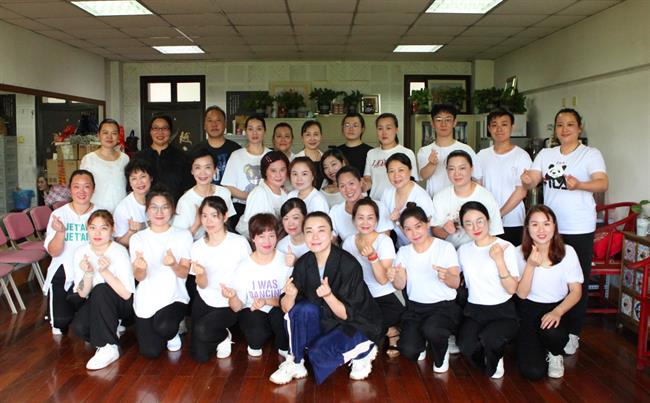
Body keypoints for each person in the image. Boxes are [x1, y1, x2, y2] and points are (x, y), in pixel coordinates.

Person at [521, 108, 608, 354]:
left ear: (579, 127)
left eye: (570, 124)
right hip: (549, 229)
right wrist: (527, 180)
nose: (565, 129)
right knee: (548, 277)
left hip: (579, 226)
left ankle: (572, 333)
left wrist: (579, 185)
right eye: (560, 124)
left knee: (576, 282)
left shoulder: (590, 154)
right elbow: (533, 179)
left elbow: (602, 183)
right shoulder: (546, 154)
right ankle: (549, 327)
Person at [269, 212, 382, 385]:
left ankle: (364, 349)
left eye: (321, 230)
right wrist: (290, 296)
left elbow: (347, 315)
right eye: (309, 231)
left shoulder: (348, 265)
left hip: (355, 324)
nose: (315, 237)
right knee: (302, 309)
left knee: (319, 354)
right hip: (327, 320)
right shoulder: (304, 263)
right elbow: (287, 309)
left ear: (331, 235)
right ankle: (295, 362)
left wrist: (328, 296)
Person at [515, 205, 583, 380]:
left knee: (552, 333)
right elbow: (521, 294)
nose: (541, 230)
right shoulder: (517, 252)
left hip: (558, 308)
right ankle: (540, 346)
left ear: (554, 226)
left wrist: (557, 311)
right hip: (529, 309)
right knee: (532, 372)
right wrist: (530, 265)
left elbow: (576, 291)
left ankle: (555, 352)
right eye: (535, 224)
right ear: (527, 228)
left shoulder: (568, 252)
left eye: (546, 224)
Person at [391, 205, 461, 372]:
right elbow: (400, 285)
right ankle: (422, 340)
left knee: (433, 330)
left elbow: (456, 283)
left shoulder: (445, 247)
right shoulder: (404, 252)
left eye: (418, 226)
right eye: (408, 229)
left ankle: (441, 351)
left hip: (443, 307)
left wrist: (446, 276)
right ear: (403, 231)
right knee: (409, 350)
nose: (414, 233)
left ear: (427, 224)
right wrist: (394, 276)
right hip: (415, 308)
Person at [457, 201, 519, 379]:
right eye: (468, 223)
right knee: (465, 345)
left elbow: (512, 289)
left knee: (490, 338)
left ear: (488, 221)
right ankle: (490, 354)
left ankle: (495, 353)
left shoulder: (505, 247)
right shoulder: (463, 250)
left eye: (480, 221)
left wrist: (499, 260)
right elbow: (456, 277)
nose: (475, 227)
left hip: (502, 310)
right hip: (474, 309)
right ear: (463, 227)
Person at [130, 187, 193, 358]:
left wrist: (173, 264)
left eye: (165, 207)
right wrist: (141, 268)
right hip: (146, 300)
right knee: (150, 352)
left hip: (174, 297)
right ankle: (165, 330)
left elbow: (184, 274)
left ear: (172, 210)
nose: (159, 212)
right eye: (154, 207)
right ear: (147, 210)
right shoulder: (137, 238)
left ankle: (172, 332)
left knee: (164, 327)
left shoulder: (183, 235)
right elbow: (138, 277)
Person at [71, 210, 135, 370]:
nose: (97, 233)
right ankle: (109, 328)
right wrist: (88, 273)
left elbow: (126, 294)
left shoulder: (119, 251)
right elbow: (82, 293)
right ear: (87, 229)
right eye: (93, 228)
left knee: (101, 289)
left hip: (123, 305)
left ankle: (109, 346)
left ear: (112, 229)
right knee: (80, 327)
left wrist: (105, 272)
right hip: (97, 303)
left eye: (103, 228)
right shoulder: (81, 252)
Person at [190, 196, 251, 362]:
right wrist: (201, 275)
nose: (208, 221)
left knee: (203, 330)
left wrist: (235, 296)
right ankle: (221, 336)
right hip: (205, 298)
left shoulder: (239, 242)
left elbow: (249, 273)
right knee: (199, 356)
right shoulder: (197, 247)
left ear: (225, 217)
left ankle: (223, 334)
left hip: (231, 300)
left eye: (214, 215)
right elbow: (201, 284)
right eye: (204, 216)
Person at [342, 198, 405, 358]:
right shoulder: (349, 242)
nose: (365, 222)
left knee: (367, 328)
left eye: (370, 218)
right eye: (360, 217)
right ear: (353, 220)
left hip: (386, 298)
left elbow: (383, 280)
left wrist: (373, 257)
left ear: (377, 220)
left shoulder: (384, 241)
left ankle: (390, 331)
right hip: (362, 298)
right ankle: (390, 331)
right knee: (349, 324)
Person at [222, 213, 291, 357]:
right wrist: (232, 296)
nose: (267, 241)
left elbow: (289, 301)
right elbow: (237, 307)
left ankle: (282, 342)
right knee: (255, 342)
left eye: (271, 235)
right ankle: (265, 333)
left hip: (277, 308)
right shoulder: (244, 265)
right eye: (261, 236)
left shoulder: (285, 260)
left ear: (277, 236)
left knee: (280, 321)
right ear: (253, 238)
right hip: (252, 309)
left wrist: (266, 301)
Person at [43, 169, 98, 335]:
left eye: (86, 186)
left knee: (90, 324)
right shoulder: (58, 214)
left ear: (93, 189)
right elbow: (53, 252)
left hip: (92, 270)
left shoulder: (101, 214)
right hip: (63, 270)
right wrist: (60, 232)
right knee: (60, 323)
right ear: (70, 189)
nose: (82, 191)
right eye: (76, 187)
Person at [476, 108, 531, 246]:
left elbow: (521, 191)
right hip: (486, 221)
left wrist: (498, 214)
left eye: (504, 124)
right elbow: (477, 187)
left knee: (512, 257)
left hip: (513, 221)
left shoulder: (522, 156)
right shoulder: (481, 155)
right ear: (489, 128)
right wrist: (486, 215)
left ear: (512, 127)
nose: (499, 129)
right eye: (494, 125)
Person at [431, 150, 504, 249]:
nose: (457, 173)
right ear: (447, 171)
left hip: (479, 250)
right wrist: (445, 231)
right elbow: (435, 230)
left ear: (471, 169)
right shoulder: (440, 197)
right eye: (451, 169)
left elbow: (494, 232)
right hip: (451, 251)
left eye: (462, 168)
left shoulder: (486, 197)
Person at [417, 104, 482, 198]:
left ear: (455, 122)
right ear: (432, 123)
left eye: (448, 120)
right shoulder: (425, 151)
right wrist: (431, 164)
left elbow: (477, 179)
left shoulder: (466, 149)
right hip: (434, 200)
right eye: (439, 120)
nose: (443, 124)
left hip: (462, 201)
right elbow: (423, 176)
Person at [174, 147, 236, 240]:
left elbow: (227, 224)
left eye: (207, 167)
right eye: (197, 168)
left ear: (215, 170)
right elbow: (179, 239)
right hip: (196, 245)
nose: (202, 173)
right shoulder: (185, 201)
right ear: (192, 171)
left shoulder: (224, 193)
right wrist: (197, 223)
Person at [221, 116, 272, 226]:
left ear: (265, 131)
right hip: (241, 207)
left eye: (259, 129)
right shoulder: (236, 155)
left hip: (267, 207)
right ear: (246, 132)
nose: (255, 133)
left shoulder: (271, 156)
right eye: (250, 129)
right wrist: (252, 197)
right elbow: (228, 186)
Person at [380, 153, 434, 246]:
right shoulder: (387, 193)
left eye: (401, 170)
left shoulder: (421, 197)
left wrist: (397, 221)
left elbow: (425, 233)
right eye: (391, 171)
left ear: (410, 170)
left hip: (423, 247)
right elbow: (383, 226)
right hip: (401, 248)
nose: (396, 175)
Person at [135, 115, 191, 202]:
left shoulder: (182, 157)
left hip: (175, 207)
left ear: (170, 132)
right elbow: (132, 187)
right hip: (145, 208)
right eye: (155, 128)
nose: (160, 132)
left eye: (164, 128)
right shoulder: (139, 157)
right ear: (150, 131)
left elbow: (188, 188)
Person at [330, 166, 393, 242]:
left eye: (351, 183)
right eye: (342, 186)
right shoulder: (335, 211)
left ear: (360, 183)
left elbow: (385, 241)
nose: (348, 189)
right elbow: (330, 239)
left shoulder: (379, 207)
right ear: (339, 189)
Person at [364, 113, 418, 200]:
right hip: (376, 202)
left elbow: (412, 181)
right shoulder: (371, 153)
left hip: (398, 202)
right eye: (380, 128)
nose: (384, 132)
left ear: (396, 130)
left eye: (388, 128)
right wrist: (361, 184)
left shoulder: (407, 153)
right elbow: (368, 179)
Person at [236, 151, 289, 239]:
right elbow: (254, 230)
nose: (278, 175)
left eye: (282, 170)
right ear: (265, 172)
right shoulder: (259, 193)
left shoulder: (285, 194)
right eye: (273, 171)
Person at [80, 118, 130, 212]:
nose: (109, 137)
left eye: (114, 133)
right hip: (96, 213)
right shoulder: (89, 159)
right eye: (105, 133)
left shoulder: (125, 159)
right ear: (98, 135)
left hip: (121, 212)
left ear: (118, 136)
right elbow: (82, 188)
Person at [190, 105, 241, 185]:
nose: (214, 124)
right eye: (210, 121)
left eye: (218, 120)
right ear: (204, 125)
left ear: (225, 124)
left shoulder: (236, 150)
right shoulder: (195, 151)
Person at [113, 159, 153, 247]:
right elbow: (119, 243)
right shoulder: (123, 208)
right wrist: (131, 231)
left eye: (143, 176)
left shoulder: (159, 199)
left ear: (151, 178)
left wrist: (143, 225)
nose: (139, 182)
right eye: (134, 178)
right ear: (130, 183)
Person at [294, 120, 325, 188]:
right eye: (308, 135)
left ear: (321, 136)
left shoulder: (326, 159)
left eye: (316, 134)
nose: (312, 138)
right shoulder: (295, 160)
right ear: (302, 137)